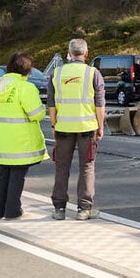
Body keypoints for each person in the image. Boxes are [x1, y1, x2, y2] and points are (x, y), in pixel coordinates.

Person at [48, 38, 106, 221]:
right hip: (87, 128)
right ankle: (84, 209)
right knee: (87, 167)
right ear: (86, 53)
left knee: (61, 167)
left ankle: (59, 209)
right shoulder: (93, 73)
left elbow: (51, 105)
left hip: (64, 128)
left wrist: (54, 125)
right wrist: (100, 126)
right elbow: (100, 105)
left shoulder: (56, 74)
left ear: (69, 53)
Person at [0, 52, 47, 220]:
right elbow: (36, 114)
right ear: (28, 69)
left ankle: (0, 211)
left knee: (3, 173)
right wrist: (43, 109)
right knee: (17, 175)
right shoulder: (25, 87)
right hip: (20, 140)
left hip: (0, 139)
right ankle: (13, 211)